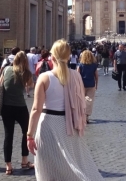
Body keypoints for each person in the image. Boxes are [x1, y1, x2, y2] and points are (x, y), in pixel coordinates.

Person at [26, 40, 102, 181]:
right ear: (69, 57)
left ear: (52, 57)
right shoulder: (75, 75)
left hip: (48, 124)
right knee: (72, 165)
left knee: (48, 168)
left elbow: (36, 109)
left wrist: (29, 135)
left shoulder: (44, 77)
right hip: (70, 124)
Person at [0, 51, 35, 175]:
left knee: (8, 135)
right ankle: (25, 160)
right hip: (20, 106)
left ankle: (8, 165)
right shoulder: (26, 73)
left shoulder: (6, 69)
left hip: (6, 107)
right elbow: (30, 85)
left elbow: (1, 83)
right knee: (26, 132)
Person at [77, 50, 99, 123]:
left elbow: (77, 75)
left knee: (81, 100)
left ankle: (81, 114)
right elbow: (96, 76)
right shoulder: (94, 65)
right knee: (89, 100)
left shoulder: (80, 65)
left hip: (82, 85)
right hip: (91, 84)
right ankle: (86, 116)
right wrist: (97, 84)